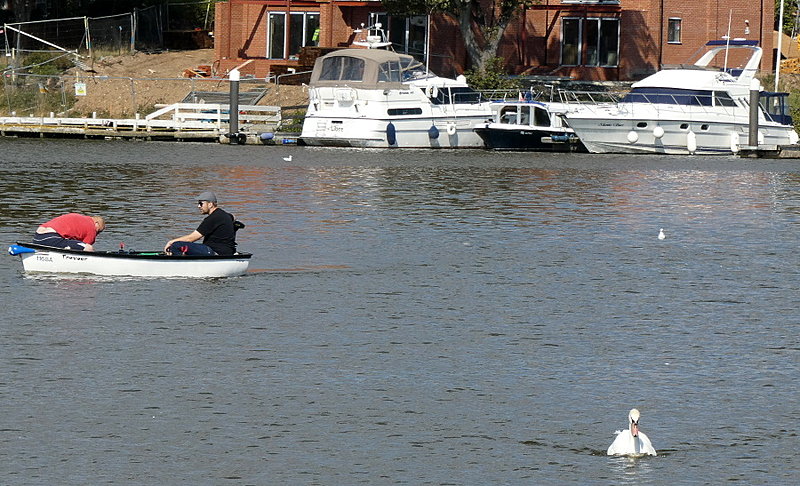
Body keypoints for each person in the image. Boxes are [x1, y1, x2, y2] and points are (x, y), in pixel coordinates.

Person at [164, 191, 237, 256]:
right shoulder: (224, 215)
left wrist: (171, 242)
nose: (198, 206)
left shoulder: (212, 218)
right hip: (226, 251)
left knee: (176, 245)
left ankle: (178, 263)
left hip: (215, 252)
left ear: (210, 204)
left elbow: (191, 238)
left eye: (201, 203)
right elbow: (233, 217)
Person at [32, 213, 105, 251]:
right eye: (98, 231)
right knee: (89, 248)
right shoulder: (91, 227)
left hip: (37, 237)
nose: (96, 234)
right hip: (50, 237)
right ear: (96, 223)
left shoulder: (80, 218)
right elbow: (86, 248)